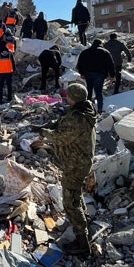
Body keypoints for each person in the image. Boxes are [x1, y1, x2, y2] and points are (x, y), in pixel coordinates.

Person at [45, 83, 97, 256]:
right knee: (75, 194)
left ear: (72, 97)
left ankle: (82, 243)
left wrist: (44, 132)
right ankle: (82, 221)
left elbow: (61, 138)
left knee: (69, 202)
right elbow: (64, 126)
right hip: (81, 162)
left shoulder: (78, 117)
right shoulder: (85, 110)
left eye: (68, 95)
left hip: (76, 164)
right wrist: (54, 124)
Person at [76, 39, 115, 113]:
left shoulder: (84, 52)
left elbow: (79, 63)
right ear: (100, 44)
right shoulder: (105, 52)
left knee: (89, 91)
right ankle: (100, 109)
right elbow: (111, 64)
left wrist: (81, 73)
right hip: (100, 74)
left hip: (88, 74)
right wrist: (112, 75)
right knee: (98, 91)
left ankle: (88, 109)